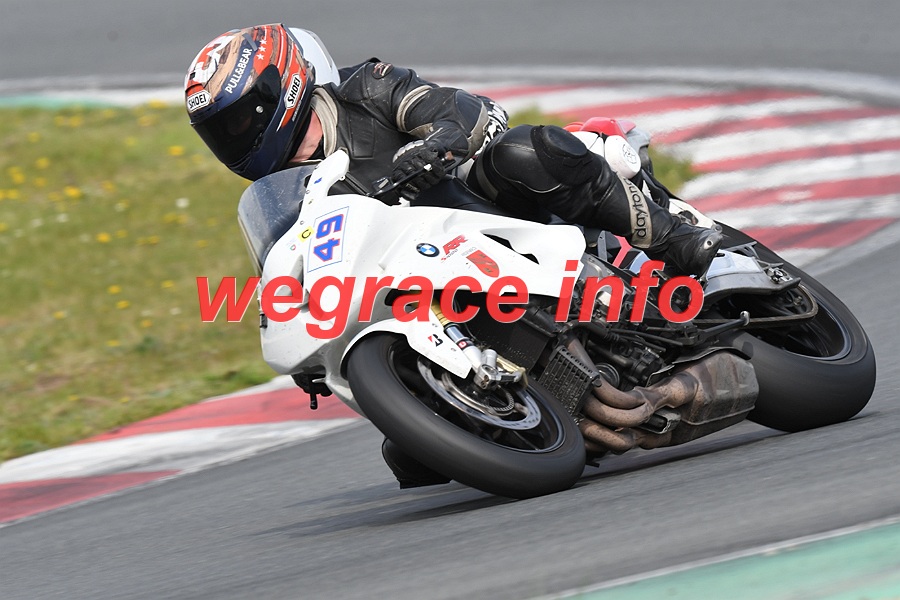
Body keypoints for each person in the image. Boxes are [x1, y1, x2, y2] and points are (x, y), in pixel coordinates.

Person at [184, 24, 723, 487]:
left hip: (489, 218)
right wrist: (304, 340)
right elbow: (290, 275)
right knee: (410, 461)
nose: (233, 140)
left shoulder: (365, 89)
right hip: (422, 285)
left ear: (282, 89)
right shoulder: (282, 197)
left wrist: (435, 145)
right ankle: (520, 399)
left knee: (524, 152)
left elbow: (476, 114)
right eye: (219, 134)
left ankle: (673, 236)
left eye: (238, 121)